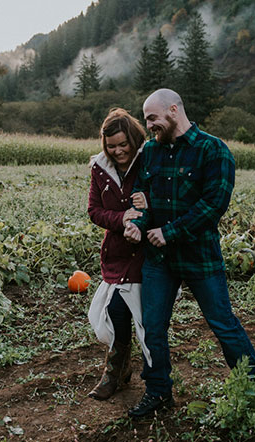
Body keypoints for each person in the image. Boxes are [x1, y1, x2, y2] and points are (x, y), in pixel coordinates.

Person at [124, 88, 255, 418]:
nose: (149, 126)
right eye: (147, 120)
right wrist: (138, 223)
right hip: (159, 260)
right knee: (152, 328)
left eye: (153, 118)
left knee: (222, 323)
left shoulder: (213, 150)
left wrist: (169, 232)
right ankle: (158, 392)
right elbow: (142, 197)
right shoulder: (150, 152)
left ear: (173, 110)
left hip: (199, 255)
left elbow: (213, 205)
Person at [86, 108, 150, 400]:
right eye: (111, 146)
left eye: (123, 144)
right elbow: (94, 211)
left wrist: (146, 208)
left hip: (147, 251)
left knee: (142, 317)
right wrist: (122, 217)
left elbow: (164, 199)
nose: (118, 151)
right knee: (115, 313)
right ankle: (118, 371)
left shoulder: (149, 160)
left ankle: (148, 376)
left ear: (134, 140)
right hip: (116, 252)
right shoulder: (100, 168)